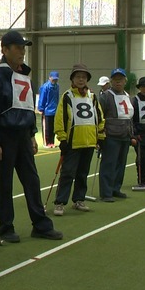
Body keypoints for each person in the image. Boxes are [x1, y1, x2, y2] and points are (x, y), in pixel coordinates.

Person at [0, 30, 63, 242]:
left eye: (23, 48)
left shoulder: (24, 76)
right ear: (4, 49)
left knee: (32, 181)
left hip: (23, 137)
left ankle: (41, 224)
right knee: (5, 185)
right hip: (5, 138)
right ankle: (6, 227)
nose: (22, 52)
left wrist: (32, 134)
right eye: (18, 48)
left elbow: (28, 109)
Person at [52, 63, 105, 216]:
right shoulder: (67, 96)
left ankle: (79, 200)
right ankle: (60, 202)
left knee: (83, 173)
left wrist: (100, 136)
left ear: (87, 79)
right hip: (72, 143)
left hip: (89, 142)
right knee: (68, 173)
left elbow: (100, 117)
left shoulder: (92, 96)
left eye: (83, 77)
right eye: (78, 77)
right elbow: (60, 119)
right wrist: (62, 139)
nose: (81, 79)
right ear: (72, 79)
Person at [98, 68, 133, 202]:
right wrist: (100, 134)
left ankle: (115, 188)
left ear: (125, 81)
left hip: (125, 134)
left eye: (121, 79)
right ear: (111, 81)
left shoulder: (127, 95)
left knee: (120, 164)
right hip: (111, 135)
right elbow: (100, 115)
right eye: (116, 79)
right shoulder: (106, 96)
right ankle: (106, 192)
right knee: (109, 164)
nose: (118, 81)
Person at [38, 71, 60, 148]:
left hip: (54, 110)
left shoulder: (57, 86)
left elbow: (57, 98)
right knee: (47, 128)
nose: (54, 81)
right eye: (53, 79)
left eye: (56, 79)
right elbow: (42, 98)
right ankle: (46, 143)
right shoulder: (45, 87)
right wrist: (41, 108)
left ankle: (52, 142)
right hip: (47, 111)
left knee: (53, 128)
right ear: (49, 78)